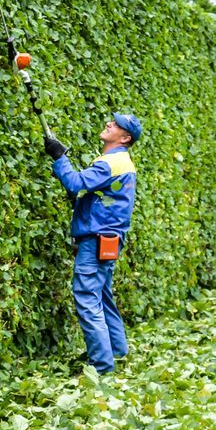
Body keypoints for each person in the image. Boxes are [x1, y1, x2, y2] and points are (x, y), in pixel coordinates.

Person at [42, 112, 143, 375]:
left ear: (125, 137)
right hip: (107, 240)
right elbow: (92, 192)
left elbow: (76, 183)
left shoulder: (112, 163)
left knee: (87, 298)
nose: (110, 124)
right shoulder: (118, 162)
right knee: (102, 296)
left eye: (116, 125)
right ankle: (118, 353)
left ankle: (101, 367)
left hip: (97, 239)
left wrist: (59, 157)